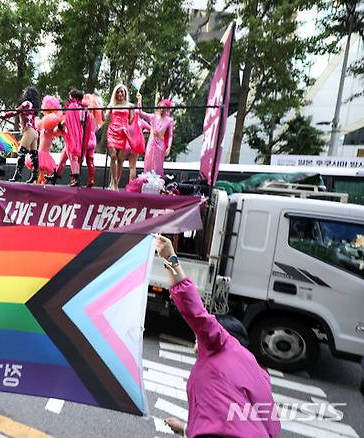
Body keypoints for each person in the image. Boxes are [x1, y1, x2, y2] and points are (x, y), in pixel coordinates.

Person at [154, 235, 280, 438]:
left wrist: (168, 257)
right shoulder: (256, 370)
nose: (198, 336)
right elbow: (247, 423)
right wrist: (187, 429)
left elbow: (192, 307)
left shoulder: (221, 345)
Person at [0, 86, 41, 183]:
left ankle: (18, 175)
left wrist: (3, 116)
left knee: (21, 152)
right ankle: (34, 175)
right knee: (34, 155)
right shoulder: (33, 106)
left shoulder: (26, 103)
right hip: (34, 132)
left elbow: (15, 112)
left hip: (29, 130)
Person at [104, 84, 134, 190]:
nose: (120, 93)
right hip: (112, 132)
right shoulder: (111, 105)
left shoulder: (130, 106)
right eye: (118, 91)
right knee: (113, 157)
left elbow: (131, 121)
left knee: (121, 159)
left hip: (123, 133)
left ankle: (115, 182)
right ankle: (115, 184)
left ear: (125, 93)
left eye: (122, 91)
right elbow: (105, 117)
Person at [137, 93, 175, 177]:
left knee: (158, 166)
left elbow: (170, 135)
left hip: (160, 145)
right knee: (148, 163)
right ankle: (146, 182)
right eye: (161, 107)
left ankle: (156, 185)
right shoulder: (153, 117)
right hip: (151, 142)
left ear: (167, 110)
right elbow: (140, 113)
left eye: (164, 108)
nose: (162, 109)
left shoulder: (169, 120)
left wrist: (169, 147)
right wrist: (139, 100)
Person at [29, 95, 61, 184]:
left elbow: (56, 130)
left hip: (44, 154)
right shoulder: (44, 125)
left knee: (41, 174)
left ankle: (39, 185)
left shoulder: (49, 127)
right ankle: (38, 184)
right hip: (42, 153)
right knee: (40, 173)